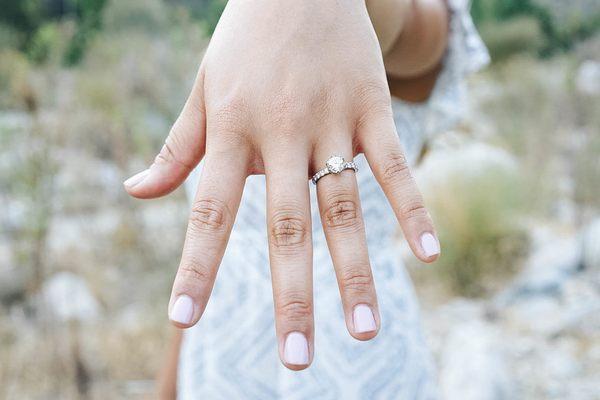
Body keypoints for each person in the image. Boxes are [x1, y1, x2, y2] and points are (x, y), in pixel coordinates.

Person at [124, 0, 489, 398]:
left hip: (358, 358)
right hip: (219, 360)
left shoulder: (404, 20)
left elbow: (401, 27)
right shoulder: (241, 32)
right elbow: (208, 251)